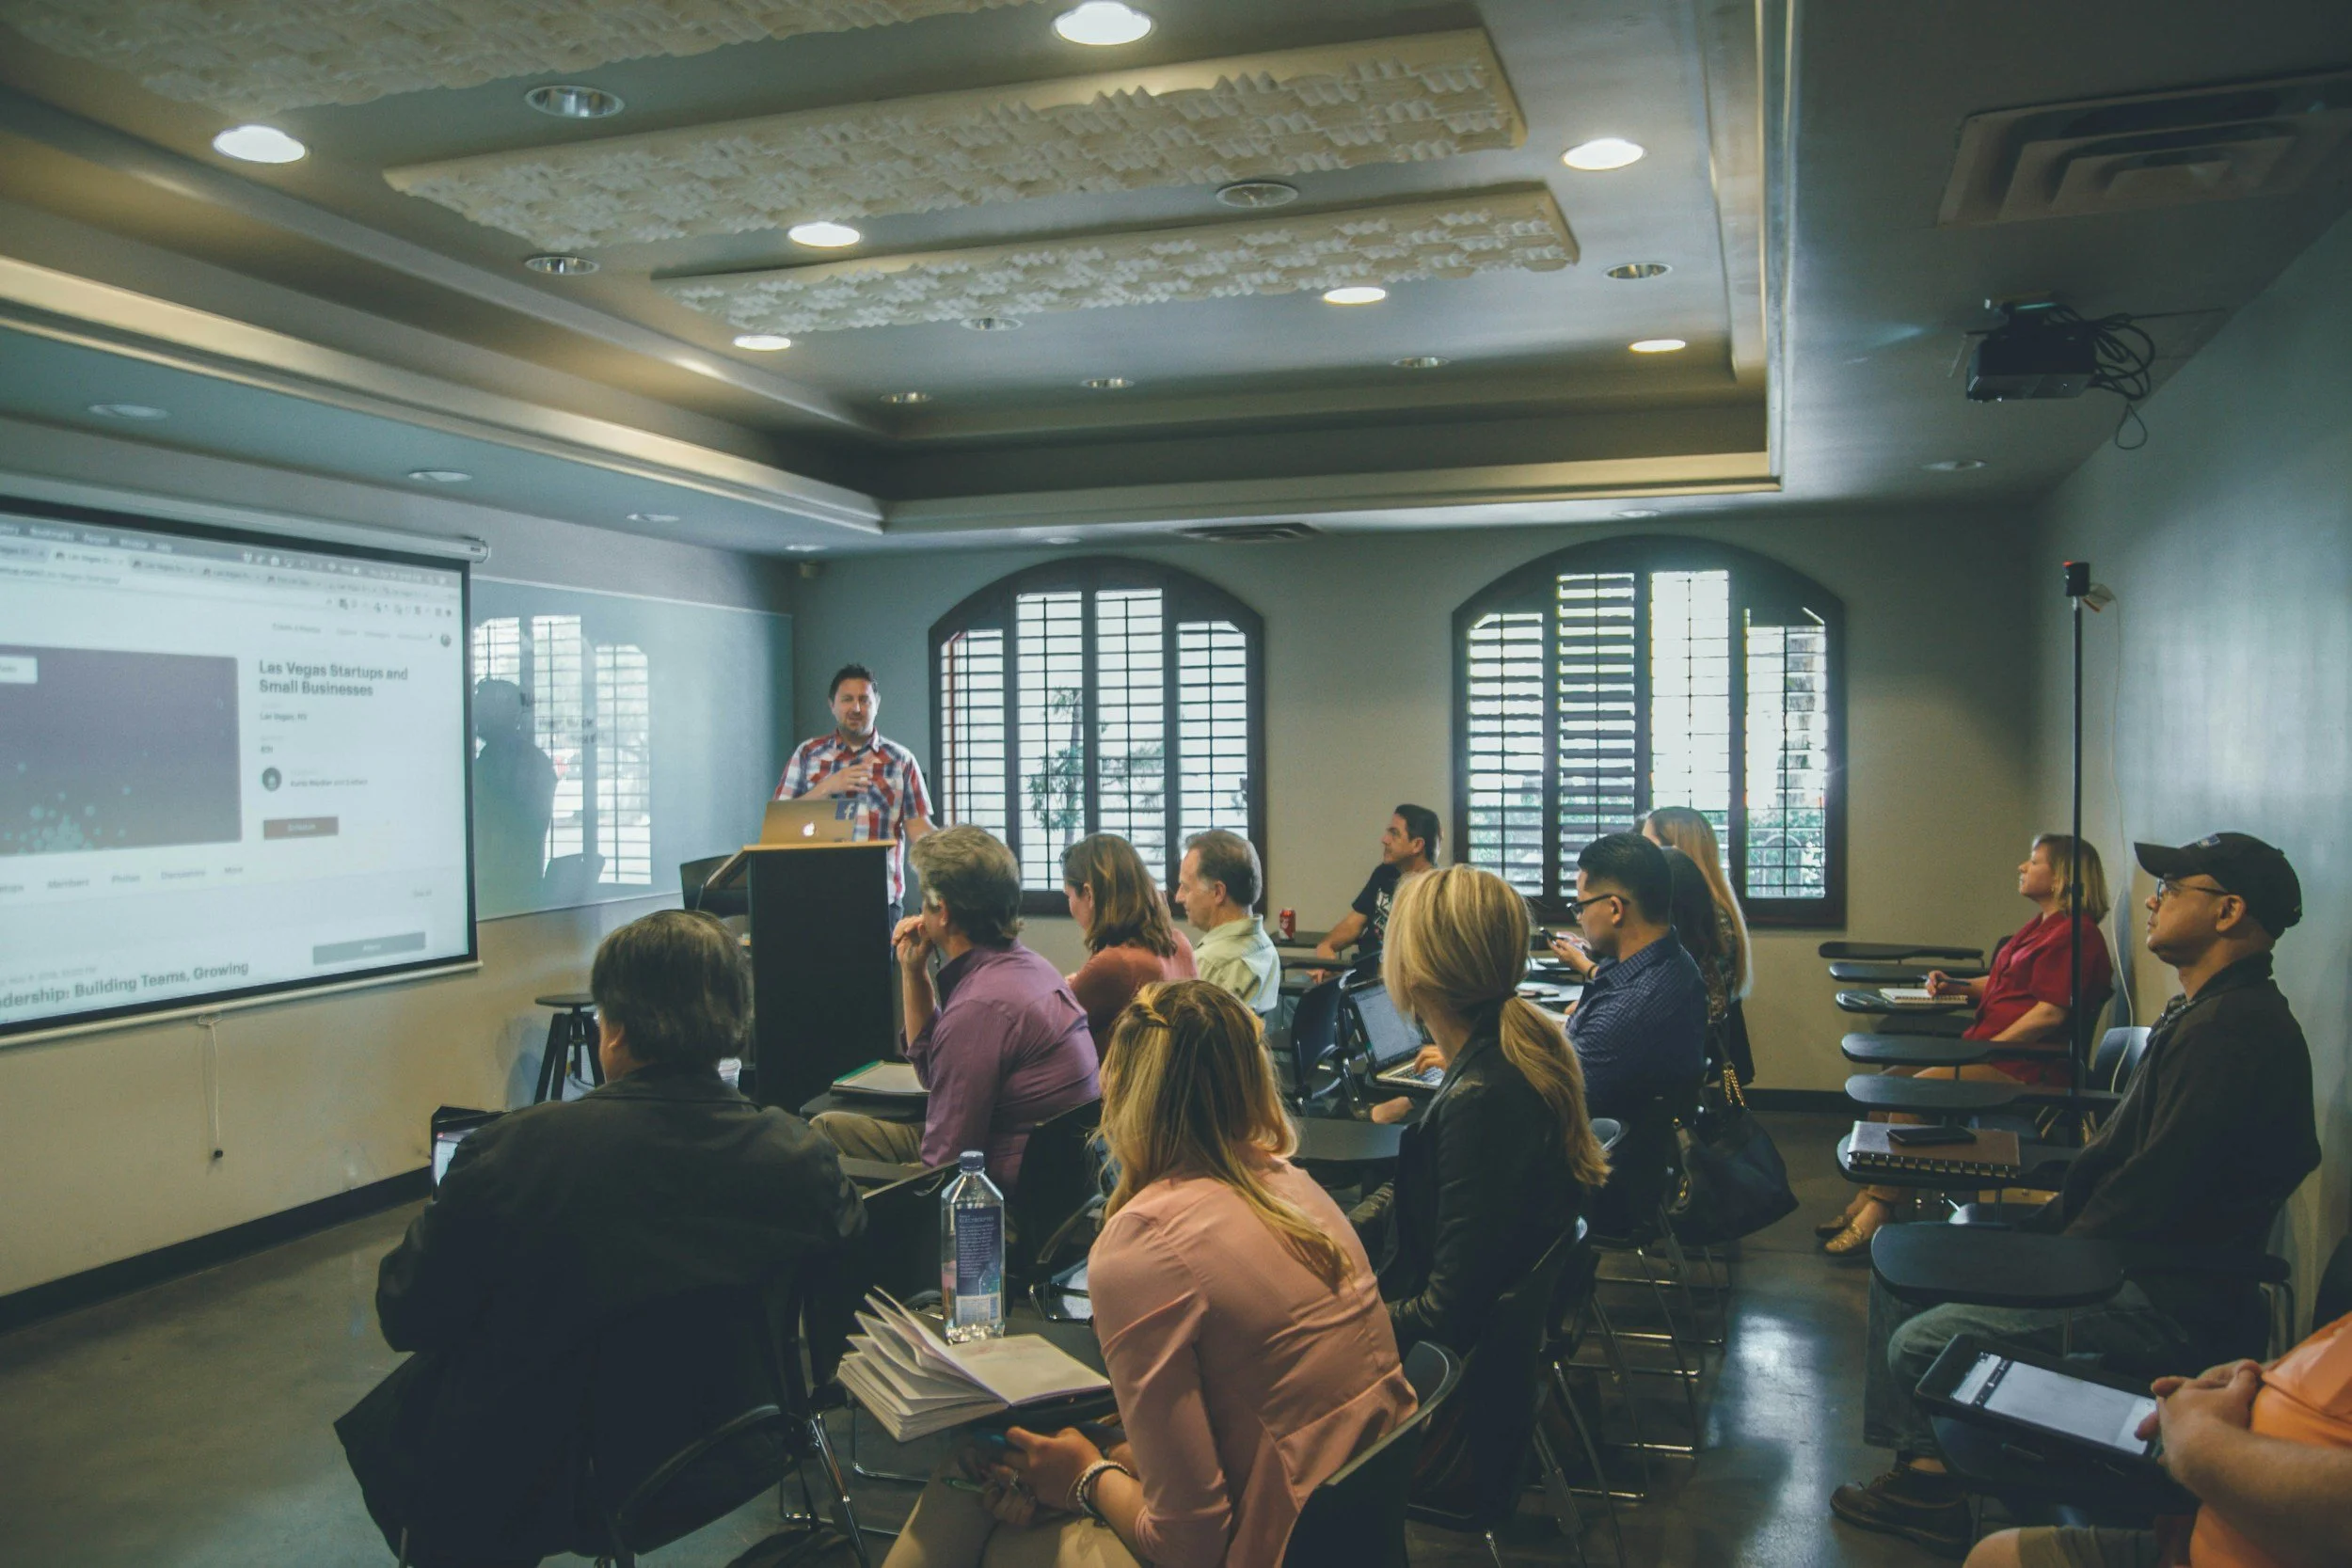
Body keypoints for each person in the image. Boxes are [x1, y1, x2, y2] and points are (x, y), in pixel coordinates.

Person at [1830, 832, 2319, 1560]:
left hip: (2157, 1291)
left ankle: (1936, 1486)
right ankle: (1927, 1472)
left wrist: (2040, 1258)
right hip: (2111, 1253)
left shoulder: (2235, 1034)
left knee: (1920, 1338)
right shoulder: (2201, 1015)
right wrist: (2032, 1241)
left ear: (2229, 911)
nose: (2152, 899)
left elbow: (2153, 1195)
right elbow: (2122, 1168)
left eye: (2174, 887)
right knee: (1900, 1261)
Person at [335, 911, 866, 1568]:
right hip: (736, 1442)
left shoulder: (513, 1154)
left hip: (550, 1479)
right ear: (735, 1025)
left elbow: (406, 1311)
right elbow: (844, 1238)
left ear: (611, 1031)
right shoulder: (796, 1155)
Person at [880, 981, 1416, 1568]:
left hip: (1269, 1541)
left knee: (988, 1507)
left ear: (1123, 1096)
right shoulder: (1296, 1188)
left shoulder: (1146, 1245)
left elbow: (1190, 1545)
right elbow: (1244, 1422)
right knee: (996, 1469)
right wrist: (1102, 1465)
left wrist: (1085, 1476)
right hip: (1333, 1528)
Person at [1351, 864, 1612, 1353]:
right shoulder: (1507, 1054)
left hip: (1446, 1378)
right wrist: (1336, 1234)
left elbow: (1443, 1314)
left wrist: (1336, 1321)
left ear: (1416, 970)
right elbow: (1427, 1186)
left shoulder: (1482, 1099)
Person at [1821, 834, 2119, 1257]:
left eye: (2033, 862)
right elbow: (2002, 984)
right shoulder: (2040, 928)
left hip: (2022, 1069)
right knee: (1887, 1084)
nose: (2022, 867)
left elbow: (2051, 1013)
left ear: (2061, 879)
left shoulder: (2077, 937)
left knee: (1913, 1093)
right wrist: (1955, 986)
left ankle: (1881, 1208)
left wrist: (1987, 1049)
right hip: (1990, 1053)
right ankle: (1868, 1195)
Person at [812, 825, 1098, 1190]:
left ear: (942, 911)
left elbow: (944, 1165)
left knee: (820, 1154)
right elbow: (935, 1074)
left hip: (993, 1199)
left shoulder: (981, 1008)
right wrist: (913, 973)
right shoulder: (1031, 968)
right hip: (1051, 1184)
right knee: (828, 1127)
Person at [1964, 1311, 2352, 1568]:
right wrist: (2253, 1379)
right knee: (1996, 1557)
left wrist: (2198, 1441)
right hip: (2206, 1530)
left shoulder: (2198, 1447)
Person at [1549, 832, 1709, 1123]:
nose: (1579, 918)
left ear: (1614, 908)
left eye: (1581, 907)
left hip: (1593, 1153)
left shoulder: (1630, 1007)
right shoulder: (1670, 960)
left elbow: (1554, 1096)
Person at [776, 662, 933, 920]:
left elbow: (918, 827)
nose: (856, 708)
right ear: (832, 705)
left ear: (877, 704)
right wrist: (828, 787)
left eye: (864, 700)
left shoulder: (900, 760)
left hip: (880, 900)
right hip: (815, 898)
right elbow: (779, 822)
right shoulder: (808, 754)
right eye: (847, 699)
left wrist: (958, 853)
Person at [1060, 832, 1196, 1052]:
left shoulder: (1113, 964)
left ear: (1088, 893)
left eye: (1069, 896)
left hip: (1122, 1084)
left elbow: (1049, 1032)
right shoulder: (1179, 942)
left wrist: (1065, 989)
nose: (1071, 907)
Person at [1311, 804, 1441, 967]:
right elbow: (1353, 924)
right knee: (1304, 990)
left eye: (1394, 834)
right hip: (1361, 973)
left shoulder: (1437, 890)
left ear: (1417, 845)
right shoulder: (1385, 873)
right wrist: (1327, 946)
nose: (1384, 839)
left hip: (1395, 983)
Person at [469, 677, 556, 910]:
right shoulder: (535, 759)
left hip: (497, 892)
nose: (475, 716)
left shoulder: (492, 764)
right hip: (522, 887)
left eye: (481, 708)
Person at [1174, 829, 1280, 1015]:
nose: (1178, 897)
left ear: (1218, 892)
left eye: (1185, 887)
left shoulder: (1209, 964)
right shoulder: (1265, 947)